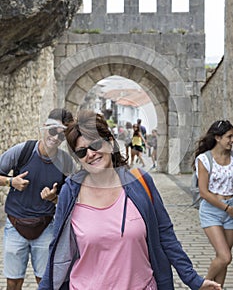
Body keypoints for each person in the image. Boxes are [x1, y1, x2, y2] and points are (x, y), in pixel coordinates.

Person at [39, 109, 222, 290]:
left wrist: (193, 279)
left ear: (110, 143)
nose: (90, 154)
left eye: (95, 145)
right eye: (81, 152)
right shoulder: (70, 193)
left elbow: (166, 235)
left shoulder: (140, 182)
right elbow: (58, 251)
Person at [0, 108, 77, 290]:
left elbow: (73, 198)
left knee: (45, 282)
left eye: (62, 135)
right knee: (13, 281)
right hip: (15, 224)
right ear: (44, 128)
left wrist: (55, 199)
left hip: (45, 226)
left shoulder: (66, 163)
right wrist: (12, 181)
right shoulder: (23, 151)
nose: (56, 138)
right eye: (53, 131)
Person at [192, 119, 233, 287]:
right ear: (217, 138)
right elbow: (203, 192)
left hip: (231, 209)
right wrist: (226, 208)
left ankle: (218, 288)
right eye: (229, 137)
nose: (232, 140)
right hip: (212, 210)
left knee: (223, 259)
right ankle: (202, 285)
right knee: (225, 256)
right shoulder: (205, 159)